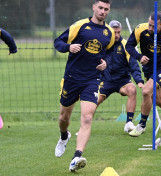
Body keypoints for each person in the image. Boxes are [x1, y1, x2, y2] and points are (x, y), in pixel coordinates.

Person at [54, 0, 114, 172]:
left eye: (106, 9)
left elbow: (109, 53)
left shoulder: (108, 32)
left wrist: (105, 63)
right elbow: (58, 42)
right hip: (72, 79)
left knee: (87, 117)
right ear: (94, 7)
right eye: (100, 8)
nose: (103, 11)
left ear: (109, 11)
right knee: (64, 118)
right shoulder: (79, 26)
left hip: (92, 80)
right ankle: (64, 136)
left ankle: (76, 157)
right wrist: (68, 47)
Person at [97, 20, 144, 132]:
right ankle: (84, 126)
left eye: (118, 32)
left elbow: (134, 65)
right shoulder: (103, 45)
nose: (117, 35)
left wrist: (139, 80)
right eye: (114, 32)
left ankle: (129, 123)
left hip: (122, 81)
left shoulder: (126, 45)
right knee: (92, 101)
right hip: (106, 81)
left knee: (132, 90)